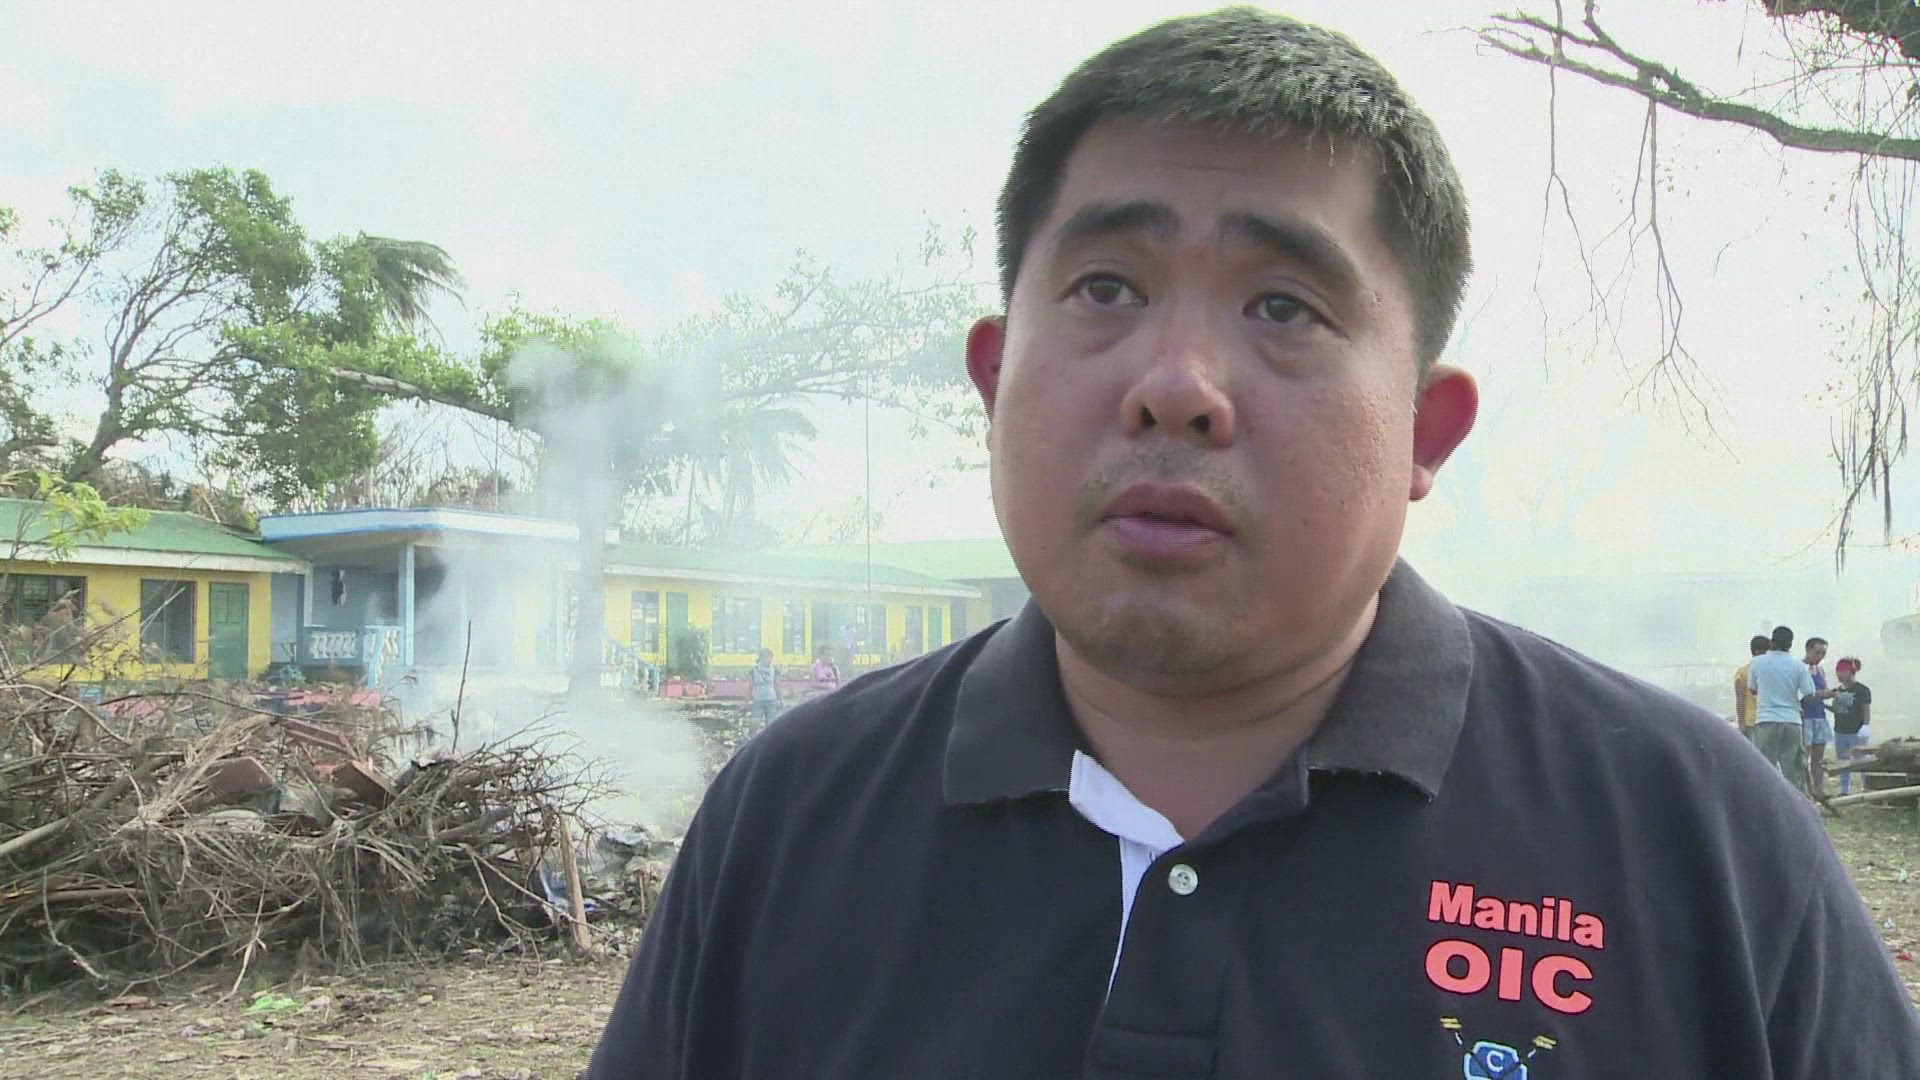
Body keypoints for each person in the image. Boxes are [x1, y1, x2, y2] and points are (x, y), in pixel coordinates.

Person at [587, 10, 1920, 1077]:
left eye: (1283, 307)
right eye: (1106, 286)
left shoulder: (1694, 842)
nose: (1176, 387)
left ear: (1426, 431)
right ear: (994, 380)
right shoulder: (792, 818)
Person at [1749, 625, 1827, 792]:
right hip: (1792, 721)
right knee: (1793, 771)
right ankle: (1795, 803)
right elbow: (1809, 693)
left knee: (1765, 767)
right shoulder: (1798, 666)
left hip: (1766, 720)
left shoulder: (1757, 662)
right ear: (1790, 644)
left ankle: (1766, 800)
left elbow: (1753, 690)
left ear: (1772, 642)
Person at [1832, 657, 1874, 797]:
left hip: (1856, 732)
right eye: (1837, 671)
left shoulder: (1862, 690)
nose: (1839, 675)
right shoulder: (1837, 691)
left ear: (1851, 672)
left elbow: (1865, 710)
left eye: (1842, 671)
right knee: (1842, 761)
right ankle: (1844, 790)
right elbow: (1836, 709)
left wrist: (1865, 726)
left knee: (1862, 761)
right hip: (1840, 731)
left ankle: (1867, 786)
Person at [1803, 636, 1833, 798]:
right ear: (1808, 650)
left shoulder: (1820, 670)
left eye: (1823, 653)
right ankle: (1805, 789)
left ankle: (1819, 789)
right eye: (1817, 652)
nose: (1820, 656)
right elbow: (1802, 694)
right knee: (1804, 757)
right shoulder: (1800, 669)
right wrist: (1822, 694)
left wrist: (1829, 695)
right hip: (1805, 717)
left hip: (1819, 716)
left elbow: (1824, 690)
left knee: (1818, 757)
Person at [1731, 633, 1767, 740]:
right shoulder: (1770, 673)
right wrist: (1742, 723)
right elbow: (1740, 699)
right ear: (1758, 652)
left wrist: (1741, 723)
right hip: (1761, 721)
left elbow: (1740, 699)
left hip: (1751, 721)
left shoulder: (1742, 672)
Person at [746, 649, 780, 728]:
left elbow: (777, 685)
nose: (766, 659)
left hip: (772, 700)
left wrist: (780, 699)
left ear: (771, 658)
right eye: (763, 656)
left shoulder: (775, 671)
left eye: (768, 657)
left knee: (772, 724)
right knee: (755, 723)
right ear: (760, 657)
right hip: (758, 700)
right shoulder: (753, 671)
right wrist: (747, 702)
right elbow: (750, 687)